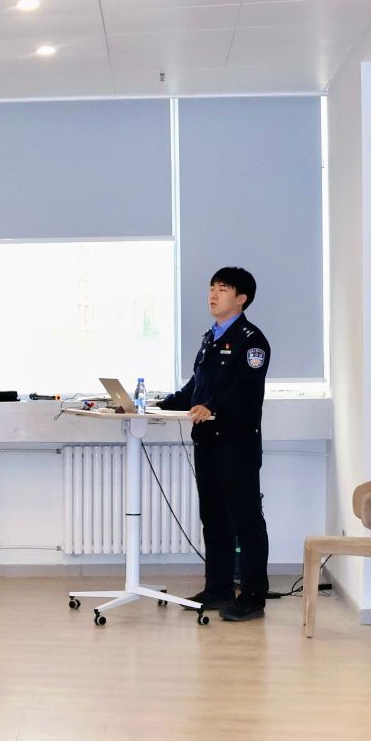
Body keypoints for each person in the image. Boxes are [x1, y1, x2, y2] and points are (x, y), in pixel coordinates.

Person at [159, 266, 271, 622]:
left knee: (245, 520)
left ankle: (252, 596)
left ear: (241, 298)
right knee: (214, 518)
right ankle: (218, 588)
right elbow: (197, 386)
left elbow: (245, 390)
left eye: (223, 288)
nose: (213, 294)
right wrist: (160, 404)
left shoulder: (252, 341)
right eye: (211, 287)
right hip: (206, 442)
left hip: (236, 445)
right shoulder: (211, 337)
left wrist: (212, 407)